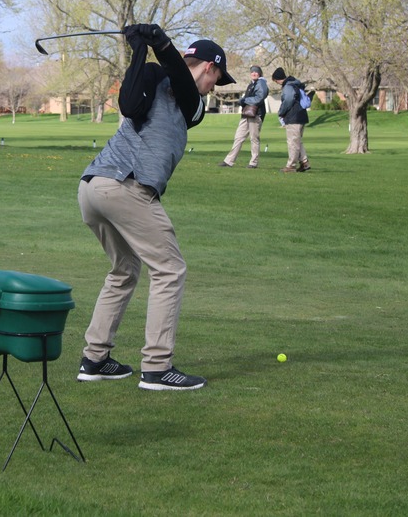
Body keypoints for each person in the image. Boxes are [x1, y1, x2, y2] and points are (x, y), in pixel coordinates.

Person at [76, 23, 235, 391]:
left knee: (124, 270)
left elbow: (179, 77)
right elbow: (129, 103)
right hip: (124, 187)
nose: (214, 88)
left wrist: (159, 45)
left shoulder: (192, 104)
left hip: (92, 188)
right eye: (217, 79)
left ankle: (94, 359)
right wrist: (139, 52)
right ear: (209, 67)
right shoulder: (154, 74)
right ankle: (157, 368)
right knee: (170, 269)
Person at [219, 65, 268, 168]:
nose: (254, 73)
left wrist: (244, 100)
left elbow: (259, 98)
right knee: (238, 137)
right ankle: (229, 161)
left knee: (254, 139)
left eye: (256, 72)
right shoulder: (251, 84)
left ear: (259, 74)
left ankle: (253, 163)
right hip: (247, 114)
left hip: (256, 114)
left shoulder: (261, 83)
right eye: (252, 72)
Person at [271, 67, 311, 172]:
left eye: (275, 81)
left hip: (293, 116)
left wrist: (281, 112)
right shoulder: (295, 83)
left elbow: (288, 100)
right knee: (297, 141)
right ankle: (304, 162)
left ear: (277, 79)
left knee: (292, 142)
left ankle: (291, 165)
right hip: (301, 115)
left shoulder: (288, 86)